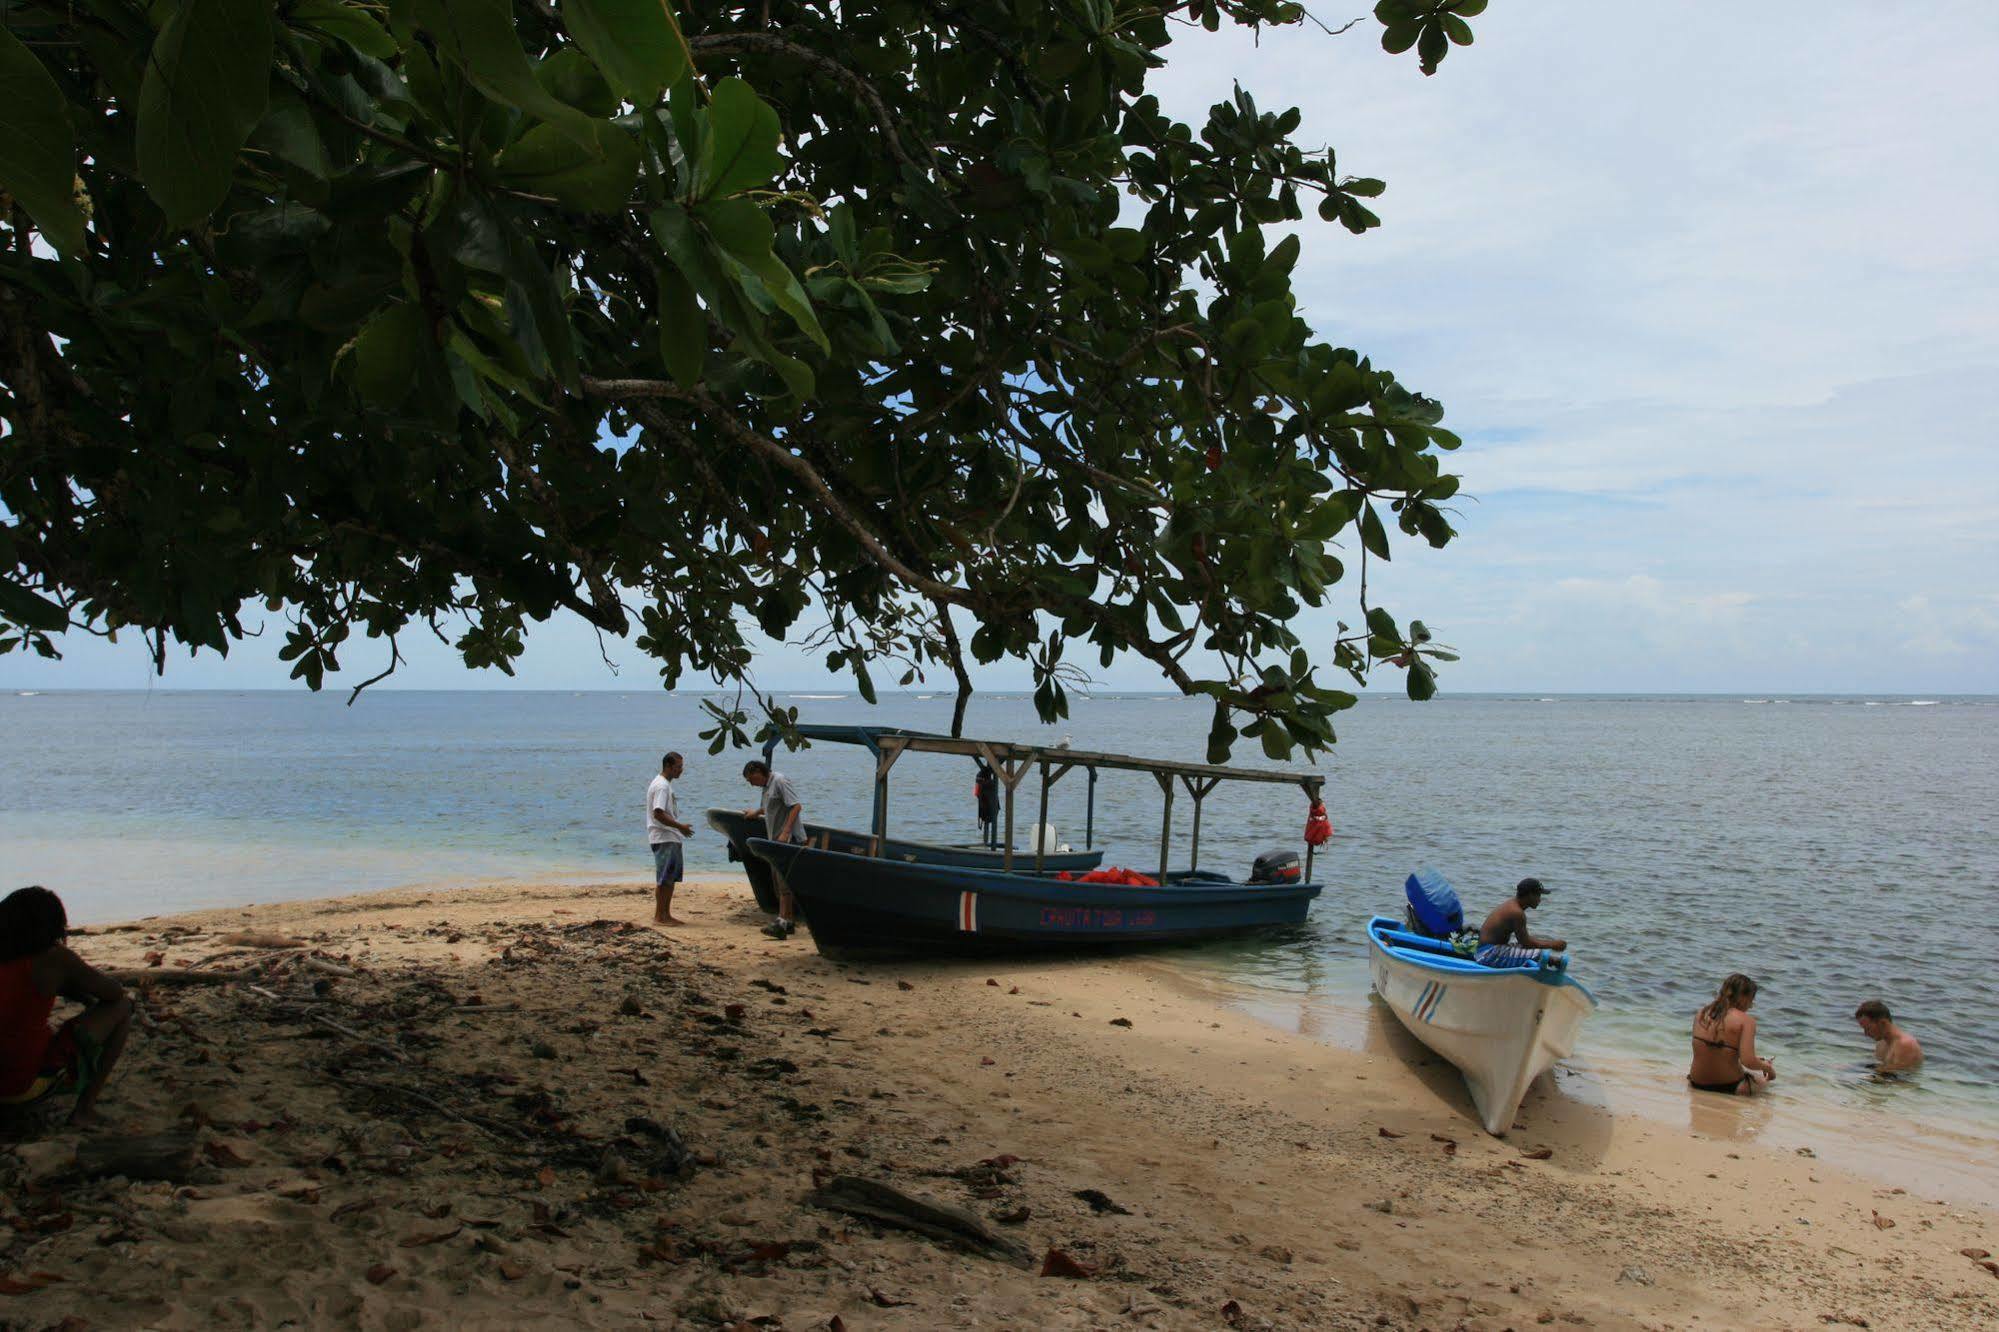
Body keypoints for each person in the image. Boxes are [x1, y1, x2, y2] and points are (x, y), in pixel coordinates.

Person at [0, 886, 135, 1125]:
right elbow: (113, 992)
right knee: (122, 1007)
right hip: (18, 1086)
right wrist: (73, 984)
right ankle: (84, 1111)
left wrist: (67, 988)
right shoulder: (53, 958)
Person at [742, 759, 805, 939]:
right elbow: (769, 806)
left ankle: (781, 923)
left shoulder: (780, 780)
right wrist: (756, 812)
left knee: (783, 883)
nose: (751, 784)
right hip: (775, 841)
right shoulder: (767, 786)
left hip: (787, 840)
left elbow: (796, 806)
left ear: (758, 772)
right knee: (779, 882)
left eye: (750, 779)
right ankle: (789, 922)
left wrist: (785, 832)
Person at [1688, 972, 1776, 1096]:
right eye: (1751, 1000)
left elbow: (1715, 1051)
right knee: (1766, 1086)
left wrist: (1756, 1060)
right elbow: (1748, 1061)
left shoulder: (1702, 1013)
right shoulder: (1746, 1021)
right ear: (1743, 997)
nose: (1751, 1005)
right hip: (1730, 1087)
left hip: (1696, 1082)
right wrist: (1768, 1068)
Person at [646, 752, 695, 925]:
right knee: (665, 878)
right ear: (668, 766)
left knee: (669, 878)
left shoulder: (664, 785)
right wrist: (680, 826)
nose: (681, 770)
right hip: (664, 837)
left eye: (681, 766)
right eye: (678, 767)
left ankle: (665, 914)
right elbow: (658, 813)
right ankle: (660, 916)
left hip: (669, 836)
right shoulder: (662, 786)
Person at [1475, 877, 1566, 967]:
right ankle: (1552, 966)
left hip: (1491, 949)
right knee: (1539, 954)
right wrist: (1552, 944)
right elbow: (1526, 943)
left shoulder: (1513, 905)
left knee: (1531, 950)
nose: (1540, 899)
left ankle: (1550, 962)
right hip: (1486, 954)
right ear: (1530, 895)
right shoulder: (1516, 912)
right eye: (1538, 895)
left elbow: (1525, 942)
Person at [1854, 999, 1923, 1074]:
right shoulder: (1881, 1043)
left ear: (1882, 1023)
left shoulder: (1905, 1045)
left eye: (1868, 1028)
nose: (1866, 1034)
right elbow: (1880, 1068)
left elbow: (1901, 1079)